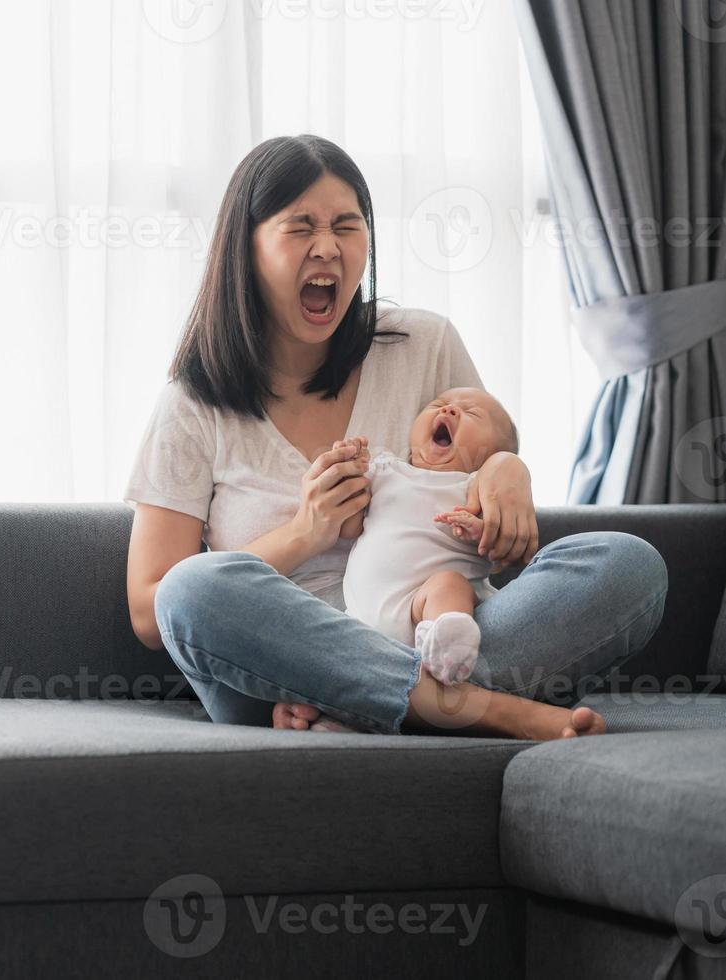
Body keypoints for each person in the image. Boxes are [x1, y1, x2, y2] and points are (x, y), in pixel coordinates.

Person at [122, 134, 667, 740]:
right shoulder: (194, 404)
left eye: (347, 227)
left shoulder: (423, 345)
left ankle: (370, 708)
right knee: (193, 591)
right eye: (300, 227)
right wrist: (306, 534)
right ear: (245, 248)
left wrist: (508, 469)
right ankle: (483, 709)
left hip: (436, 633)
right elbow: (151, 609)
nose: (327, 247)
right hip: (281, 664)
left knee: (627, 564)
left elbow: (483, 463)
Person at [340, 386, 521, 686]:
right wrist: (348, 467)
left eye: (471, 413)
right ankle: (326, 713)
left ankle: (446, 647)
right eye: (440, 404)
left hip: (424, 606)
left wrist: (477, 528)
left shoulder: (474, 486)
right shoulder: (386, 470)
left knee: (449, 584)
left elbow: (497, 548)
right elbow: (348, 528)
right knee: (325, 646)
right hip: (360, 616)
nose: (449, 410)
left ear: (491, 456)